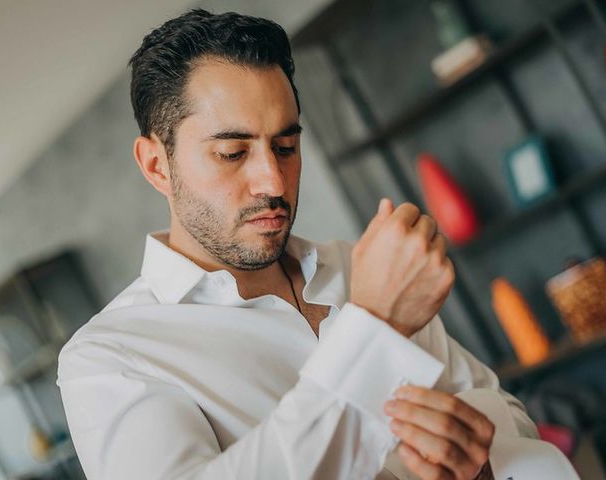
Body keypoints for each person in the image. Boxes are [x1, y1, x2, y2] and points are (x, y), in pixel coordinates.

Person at [56, 9, 539, 480]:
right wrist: (376, 329)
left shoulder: (359, 268)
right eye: (232, 152)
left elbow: (504, 412)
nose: (272, 180)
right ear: (157, 165)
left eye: (286, 147)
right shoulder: (110, 357)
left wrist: (479, 462)